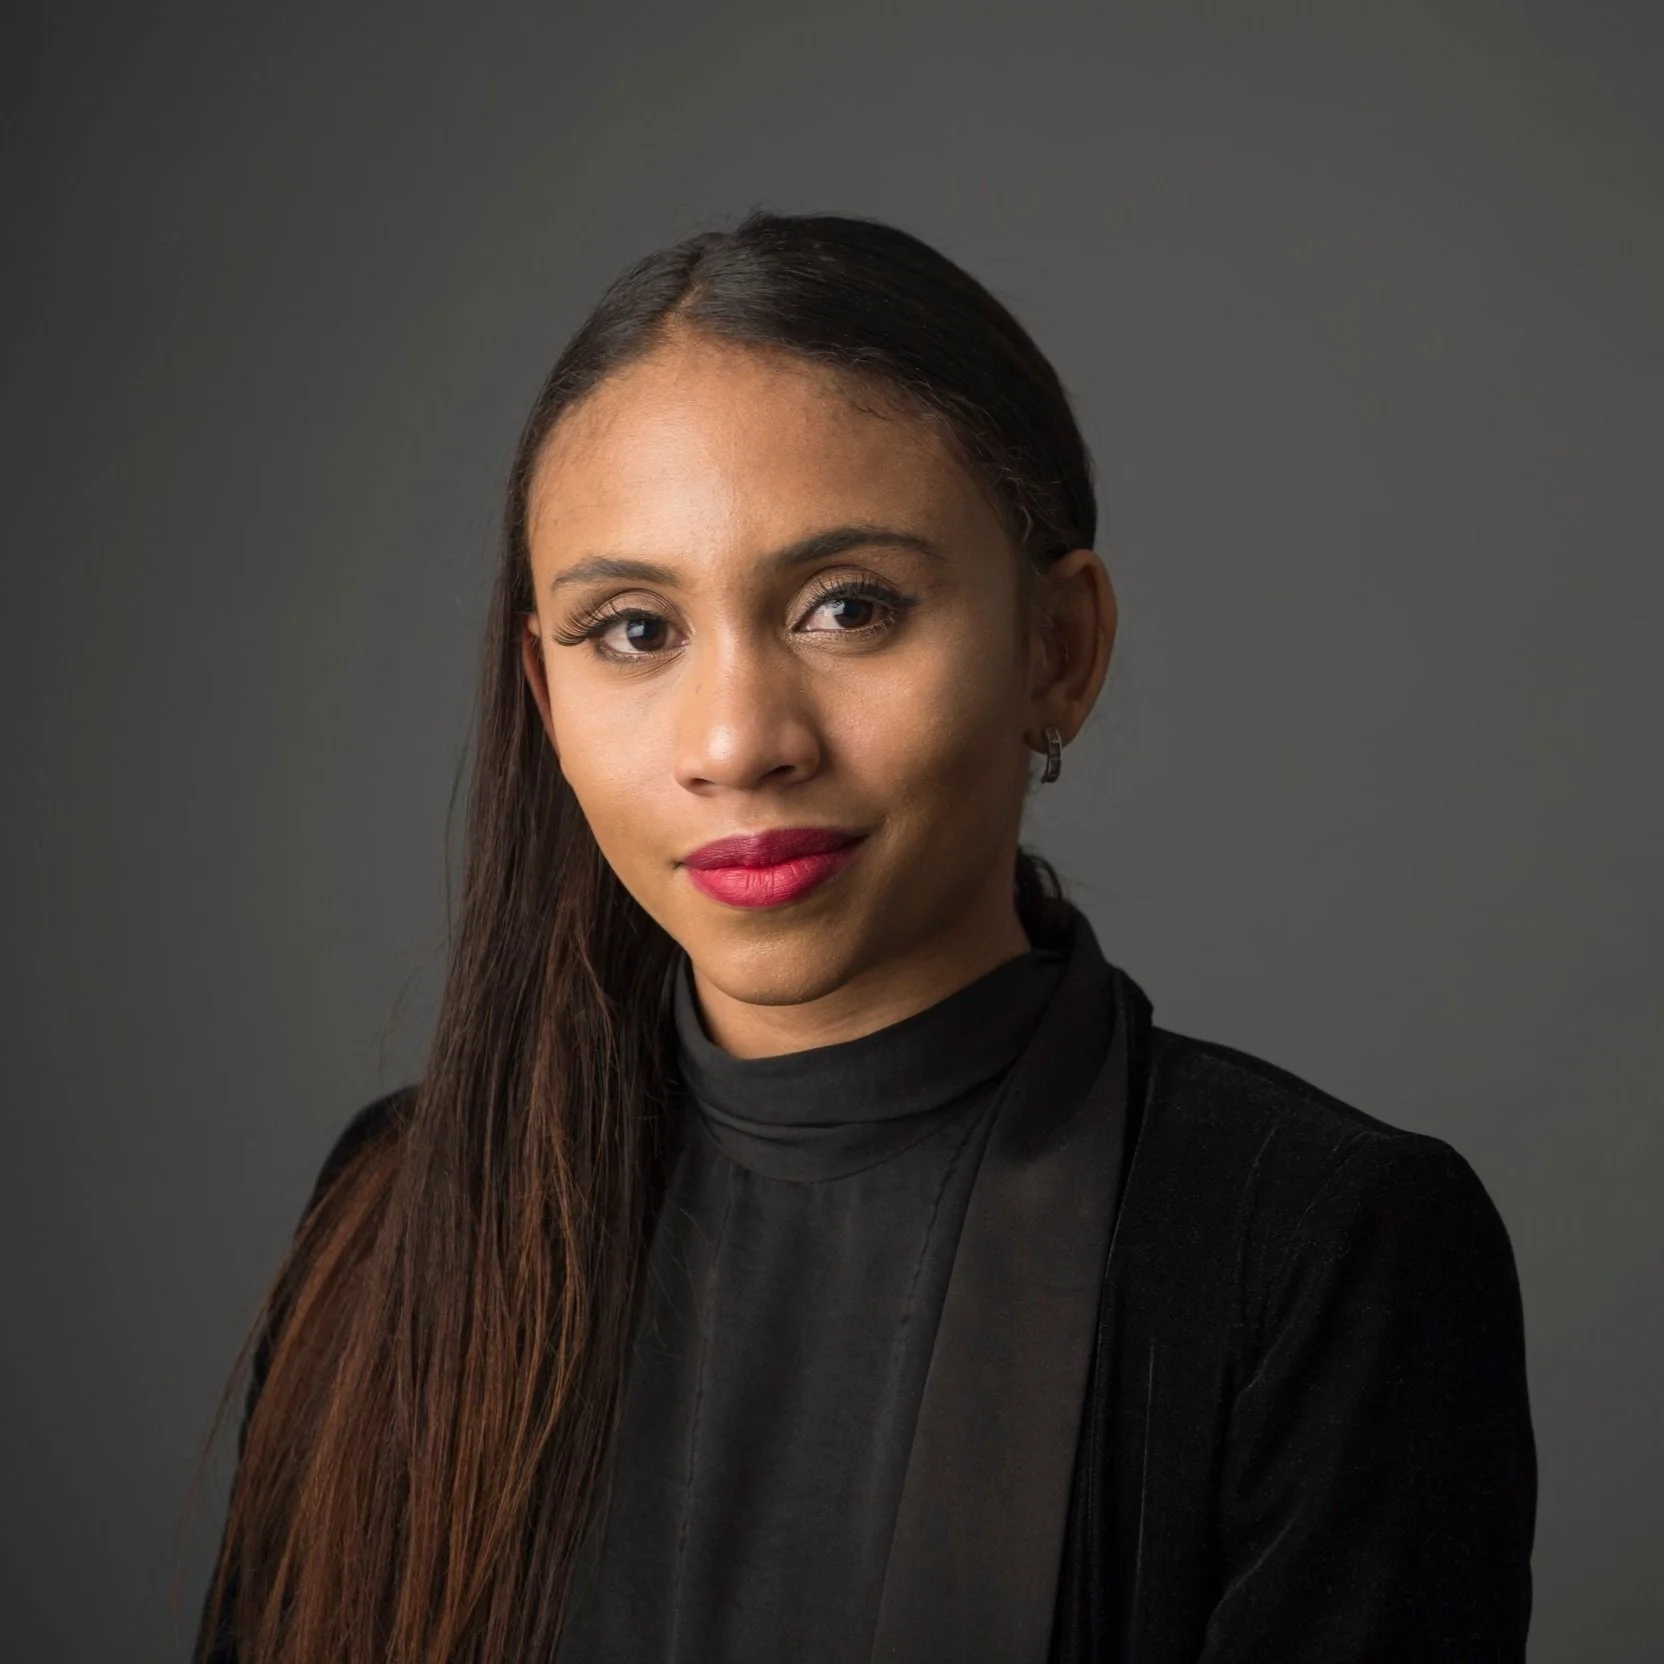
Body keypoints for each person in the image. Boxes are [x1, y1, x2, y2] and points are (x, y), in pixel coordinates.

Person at [191, 210, 1536, 1664]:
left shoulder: (1323, 1250)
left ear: (1058, 650)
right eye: (635, 631)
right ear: (545, 697)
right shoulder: (394, 1210)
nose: (736, 743)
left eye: (848, 608)